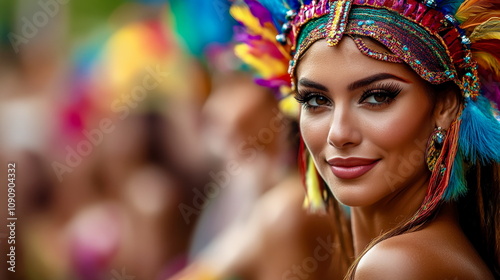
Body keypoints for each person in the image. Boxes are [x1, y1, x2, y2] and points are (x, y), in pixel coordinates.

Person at [231, 0, 500, 279]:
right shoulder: (426, 254)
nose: (338, 134)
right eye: (316, 100)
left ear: (445, 106)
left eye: (377, 97)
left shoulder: (397, 265)